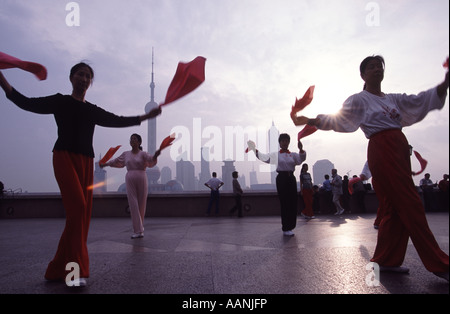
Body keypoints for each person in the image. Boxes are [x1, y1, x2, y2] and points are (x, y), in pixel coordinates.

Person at [0, 64, 161, 286]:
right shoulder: (60, 101)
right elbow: (25, 102)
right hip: (64, 157)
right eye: (80, 74)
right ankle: (74, 272)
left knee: (81, 217)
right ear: (71, 78)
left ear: (90, 82)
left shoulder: (91, 110)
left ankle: (58, 267)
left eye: (88, 76)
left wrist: (145, 116)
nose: (84, 79)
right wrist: (1, 78)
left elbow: (117, 119)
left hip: (86, 162)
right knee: (78, 208)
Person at [291, 55, 449, 281]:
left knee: (394, 208)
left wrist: (444, 84)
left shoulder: (393, 99)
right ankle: (440, 263)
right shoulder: (360, 100)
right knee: (411, 203)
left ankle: (386, 261)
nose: (377, 69)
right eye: (372, 66)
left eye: (380, 66)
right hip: (382, 149)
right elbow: (339, 118)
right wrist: (311, 120)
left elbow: (419, 100)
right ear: (362, 75)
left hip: (399, 149)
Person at [101, 134, 160, 238]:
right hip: (130, 178)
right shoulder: (126, 154)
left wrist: (155, 155)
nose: (132, 141)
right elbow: (116, 161)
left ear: (139, 142)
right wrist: (105, 164)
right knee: (133, 204)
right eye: (131, 139)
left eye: (135, 139)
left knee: (141, 204)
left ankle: (140, 230)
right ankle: (137, 230)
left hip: (142, 177)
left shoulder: (143, 154)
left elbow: (151, 160)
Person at [248, 133, 306, 236]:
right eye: (282, 141)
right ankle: (285, 227)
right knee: (285, 203)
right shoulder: (276, 155)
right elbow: (263, 157)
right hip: (282, 179)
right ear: (280, 143)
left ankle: (291, 226)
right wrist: (254, 149)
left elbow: (301, 159)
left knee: (293, 202)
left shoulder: (293, 154)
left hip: (291, 178)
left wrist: (301, 150)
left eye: (286, 141)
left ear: (288, 142)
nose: (284, 143)